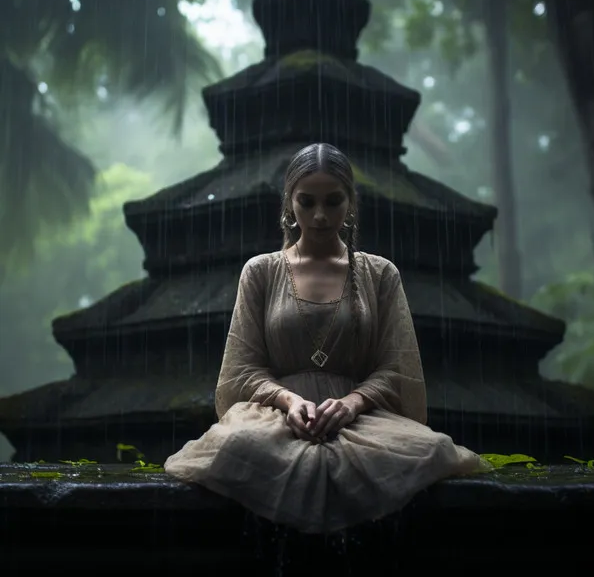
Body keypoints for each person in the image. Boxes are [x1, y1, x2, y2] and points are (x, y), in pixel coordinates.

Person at [163, 142, 491, 534]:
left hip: (360, 417)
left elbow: (395, 366)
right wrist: (288, 400)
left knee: (430, 450)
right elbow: (243, 367)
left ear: (351, 203)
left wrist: (352, 403)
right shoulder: (261, 272)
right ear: (289, 204)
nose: (320, 215)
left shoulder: (380, 273)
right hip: (276, 414)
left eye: (333, 201)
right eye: (307, 201)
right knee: (236, 446)